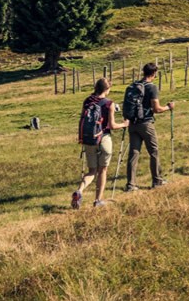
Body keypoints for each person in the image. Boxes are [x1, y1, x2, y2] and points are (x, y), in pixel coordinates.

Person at [72, 77, 126, 209]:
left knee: (92, 171)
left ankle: (79, 191)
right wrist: (124, 124)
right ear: (107, 89)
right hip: (104, 138)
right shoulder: (109, 103)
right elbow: (112, 125)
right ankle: (98, 200)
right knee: (103, 170)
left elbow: (82, 119)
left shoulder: (87, 101)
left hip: (89, 139)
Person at [124, 62, 174, 191]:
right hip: (146, 123)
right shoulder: (152, 87)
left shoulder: (134, 86)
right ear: (154, 73)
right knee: (154, 151)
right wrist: (168, 107)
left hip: (133, 123)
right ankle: (157, 180)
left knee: (134, 153)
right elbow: (156, 109)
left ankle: (130, 184)